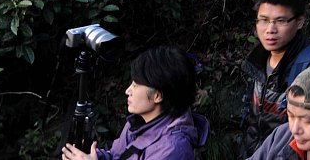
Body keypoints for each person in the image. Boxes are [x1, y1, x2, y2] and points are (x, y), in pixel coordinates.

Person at [61, 46, 209, 160]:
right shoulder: (141, 120)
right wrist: (91, 156)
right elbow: (117, 156)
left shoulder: (172, 150)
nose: (127, 90)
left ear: (157, 96)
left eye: (136, 85)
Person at [239, 0, 310, 156]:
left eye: (280, 21)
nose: (270, 30)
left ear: (299, 22)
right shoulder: (258, 60)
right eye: (264, 20)